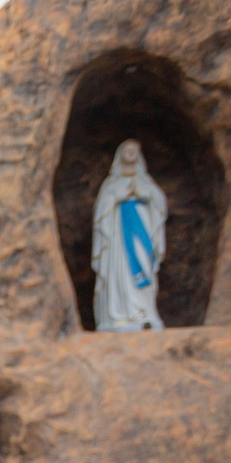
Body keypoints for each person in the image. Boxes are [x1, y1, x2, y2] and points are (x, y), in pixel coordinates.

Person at [91, 138, 168, 333]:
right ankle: (120, 314)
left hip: (141, 233)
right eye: (128, 150)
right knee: (120, 272)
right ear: (120, 155)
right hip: (118, 237)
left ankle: (144, 313)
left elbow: (159, 202)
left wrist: (143, 194)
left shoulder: (146, 181)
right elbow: (101, 212)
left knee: (144, 265)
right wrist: (119, 196)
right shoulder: (111, 183)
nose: (131, 153)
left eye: (135, 150)